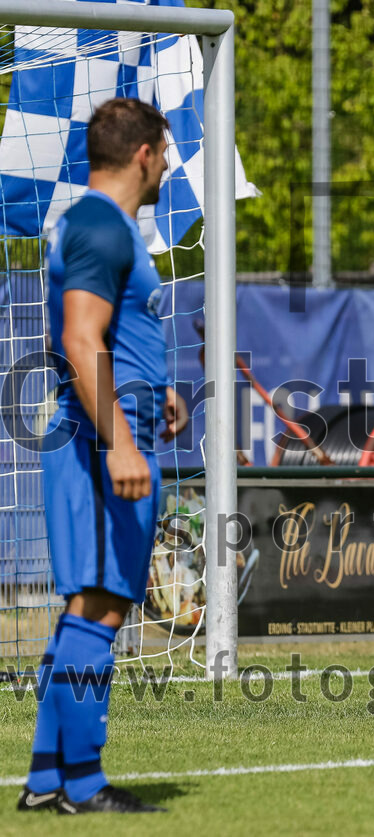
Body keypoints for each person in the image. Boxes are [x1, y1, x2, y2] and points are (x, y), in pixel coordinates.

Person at [19, 98, 187, 815]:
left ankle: (46, 779)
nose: (169, 167)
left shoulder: (103, 226)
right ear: (145, 153)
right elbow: (79, 337)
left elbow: (107, 339)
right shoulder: (97, 223)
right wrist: (120, 437)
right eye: (167, 153)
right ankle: (83, 788)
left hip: (112, 430)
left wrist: (156, 397)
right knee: (103, 607)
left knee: (88, 607)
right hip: (97, 445)